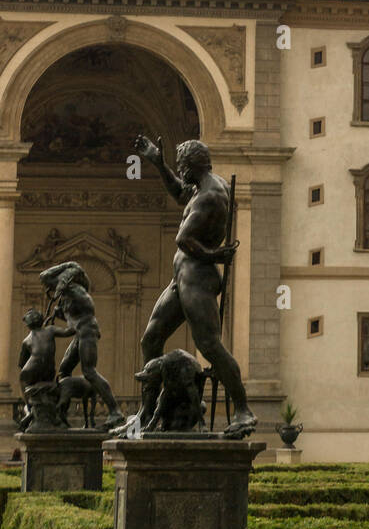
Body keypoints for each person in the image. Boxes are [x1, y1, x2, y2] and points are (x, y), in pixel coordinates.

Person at [132, 135, 256, 437]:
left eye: (179, 165)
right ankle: (147, 411)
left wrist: (214, 255)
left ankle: (243, 410)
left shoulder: (209, 196)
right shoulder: (210, 185)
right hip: (183, 277)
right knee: (150, 340)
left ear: (190, 166)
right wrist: (159, 165)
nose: (179, 170)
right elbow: (179, 194)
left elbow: (183, 240)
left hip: (196, 277)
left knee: (210, 346)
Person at [40, 262, 125, 430]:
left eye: (53, 284)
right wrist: (61, 314)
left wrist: (69, 269)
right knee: (64, 370)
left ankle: (115, 411)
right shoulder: (67, 297)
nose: (50, 287)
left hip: (88, 333)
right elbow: (74, 319)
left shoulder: (78, 292)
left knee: (89, 371)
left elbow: (86, 311)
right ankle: (60, 414)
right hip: (79, 335)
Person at [17, 307, 73, 431]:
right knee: (49, 386)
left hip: (32, 368)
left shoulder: (26, 340)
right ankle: (43, 411)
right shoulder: (50, 330)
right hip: (49, 370)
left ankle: (29, 409)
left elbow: (21, 363)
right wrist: (64, 315)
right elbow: (70, 331)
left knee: (22, 380)